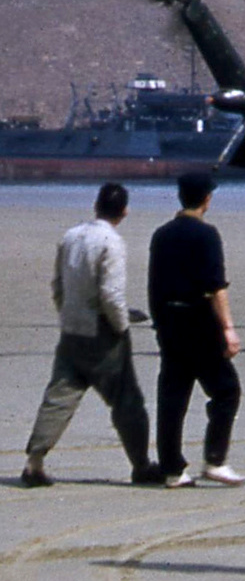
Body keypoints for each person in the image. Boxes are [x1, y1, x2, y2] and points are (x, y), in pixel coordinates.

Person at [21, 183, 161, 487]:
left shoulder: (71, 236)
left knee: (60, 394)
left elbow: (58, 285)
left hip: (72, 327)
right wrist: (122, 325)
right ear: (124, 211)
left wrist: (66, 314)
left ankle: (35, 462)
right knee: (126, 401)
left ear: (96, 206)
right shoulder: (112, 242)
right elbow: (110, 294)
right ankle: (141, 465)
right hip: (102, 332)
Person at [148, 172, 245, 488]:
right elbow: (216, 285)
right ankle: (215, 460)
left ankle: (172, 468)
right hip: (199, 320)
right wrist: (228, 328)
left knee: (173, 395)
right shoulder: (207, 234)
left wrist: (160, 322)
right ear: (207, 198)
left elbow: (154, 285)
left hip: (169, 320)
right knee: (226, 389)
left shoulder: (161, 234)